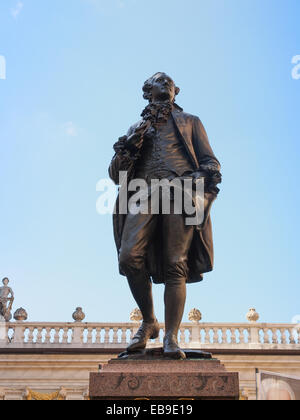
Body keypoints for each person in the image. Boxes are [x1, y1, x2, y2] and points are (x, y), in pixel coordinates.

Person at [109, 72, 221, 359]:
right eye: (160, 81)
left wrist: (196, 185)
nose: (167, 85)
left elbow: (210, 162)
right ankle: (149, 321)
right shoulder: (136, 129)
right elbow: (115, 175)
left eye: (170, 83)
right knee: (129, 257)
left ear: (176, 92)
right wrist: (129, 147)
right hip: (143, 193)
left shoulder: (191, 122)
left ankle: (171, 335)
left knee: (176, 264)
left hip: (180, 193)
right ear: (148, 92)